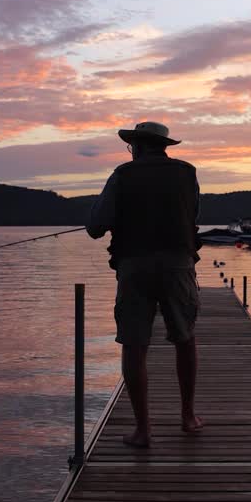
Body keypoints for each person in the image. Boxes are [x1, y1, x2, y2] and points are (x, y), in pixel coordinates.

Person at [85, 120, 203, 448]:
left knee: (135, 344)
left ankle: (143, 430)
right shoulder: (187, 172)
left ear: (136, 145)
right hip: (179, 265)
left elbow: (95, 226)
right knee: (185, 339)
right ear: (164, 145)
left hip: (134, 266)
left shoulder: (122, 175)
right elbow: (193, 214)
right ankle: (188, 417)